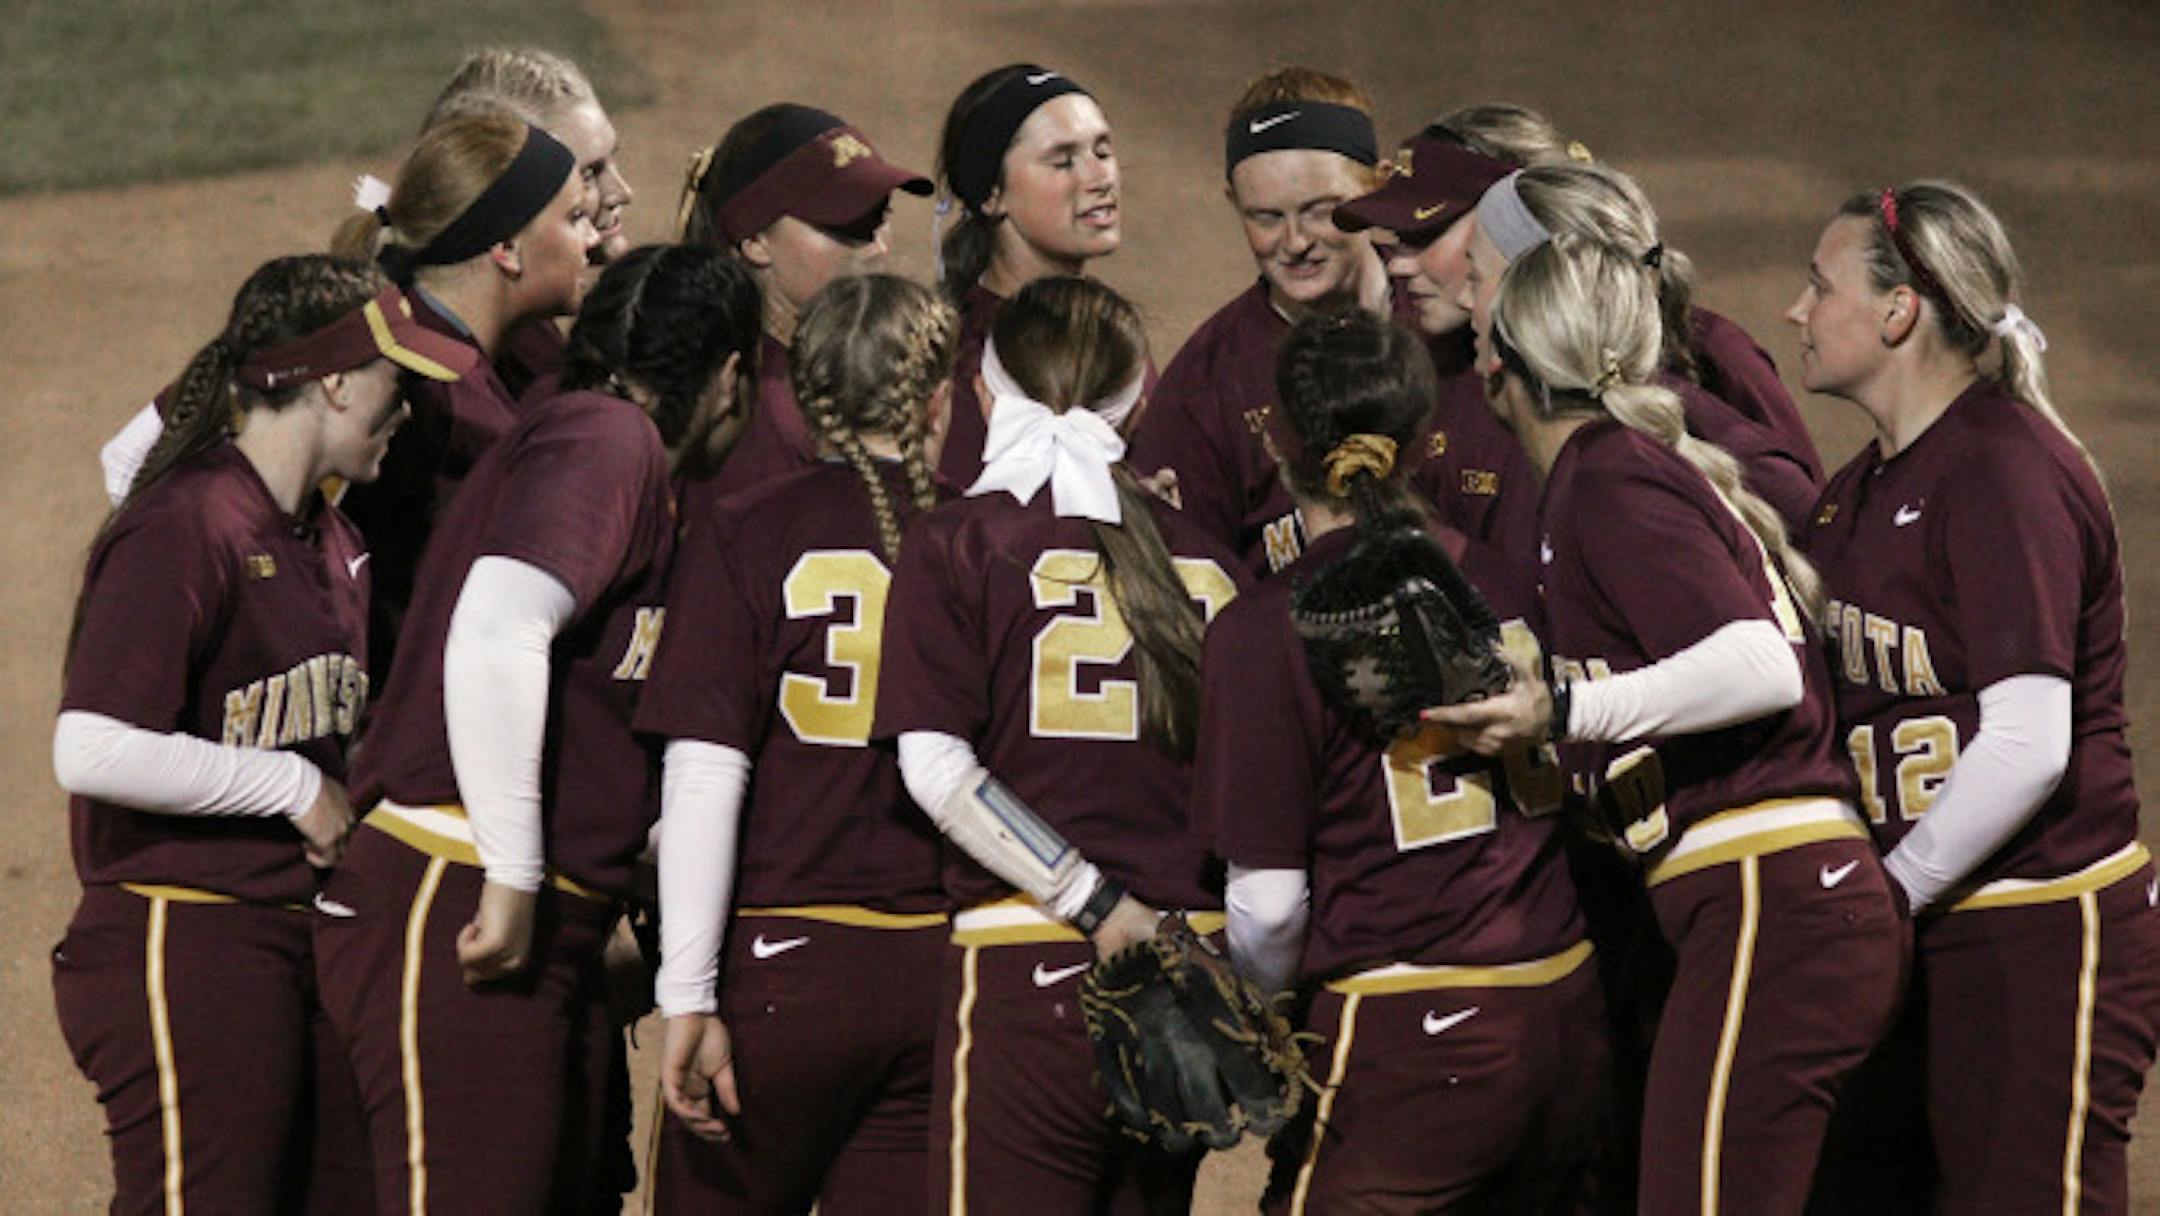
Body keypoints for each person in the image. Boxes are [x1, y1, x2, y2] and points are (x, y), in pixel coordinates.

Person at [1426, 233, 1905, 1215]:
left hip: (1774, 901)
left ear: (1501, 361)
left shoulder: (1610, 474)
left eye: (1483, 302)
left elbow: (1759, 666)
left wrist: (1564, 707)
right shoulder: (1605, 475)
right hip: (1768, 905)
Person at [311, 245, 762, 1214]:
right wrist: (514, 878)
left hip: (490, 915)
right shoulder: (610, 440)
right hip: (460, 900)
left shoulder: (615, 456)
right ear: (730, 378)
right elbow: (499, 622)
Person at [51, 255, 474, 1212]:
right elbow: (91, 745)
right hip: (181, 930)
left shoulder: (333, 544)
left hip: (292, 945)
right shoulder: (189, 523)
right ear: (330, 382)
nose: (405, 410)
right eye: (392, 384)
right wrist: (288, 789)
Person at [1791, 181, 2160, 1215]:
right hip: (1930, 931)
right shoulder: (1857, 489)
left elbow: (2031, 742)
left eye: (1819, 286)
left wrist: (1887, 896)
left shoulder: (2004, 471)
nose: (1797, 311)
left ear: (1899, 310)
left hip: (2034, 932)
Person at [1194, 309, 1605, 1213]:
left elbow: (1267, 909)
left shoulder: (1266, 627)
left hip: (1412, 1042)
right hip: (1568, 1013)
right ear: (1421, 440)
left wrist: (1258, 1014)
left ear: (1280, 443)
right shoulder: (1503, 579)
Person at [874, 277, 1246, 1213]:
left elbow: (938, 772)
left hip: (1029, 964)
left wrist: (1091, 900)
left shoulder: (958, 541)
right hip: (1185, 969)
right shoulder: (1210, 560)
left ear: (987, 396)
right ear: (1141, 402)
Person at [638, 274, 957, 1213]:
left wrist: (685, 993)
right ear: (940, 398)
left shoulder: (744, 530)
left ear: (801, 398)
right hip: (944, 972)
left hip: (786, 972)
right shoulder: (986, 538)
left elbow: (703, 777)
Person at [97, 46, 632, 499]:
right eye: (588, 175)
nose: (617, 193)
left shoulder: (519, 323)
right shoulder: (372, 341)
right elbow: (131, 459)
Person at [326, 111, 600, 675]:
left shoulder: (391, 325)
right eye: (575, 218)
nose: (593, 240)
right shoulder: (450, 404)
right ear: (506, 248)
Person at [1454, 161, 1823, 532]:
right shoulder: (1545, 416)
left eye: (1475, 277)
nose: (1464, 299)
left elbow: (1818, 532)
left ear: (1542, 287)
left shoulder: (1664, 436)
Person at [1123, 67, 1390, 576]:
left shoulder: (1450, 324)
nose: (1294, 242)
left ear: (1377, 186)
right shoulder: (1204, 383)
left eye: (1319, 210)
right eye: (1265, 217)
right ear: (1233, 203)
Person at [675, 102, 934, 500]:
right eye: (847, 225)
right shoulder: (753, 419)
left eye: (880, 216)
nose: (877, 247)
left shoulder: (818, 376)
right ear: (757, 241)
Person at [931, 63, 1125, 484]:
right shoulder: (961, 361)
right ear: (992, 195)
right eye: (1063, 161)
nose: (1100, 177)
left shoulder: (1111, 327)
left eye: (1103, 151)